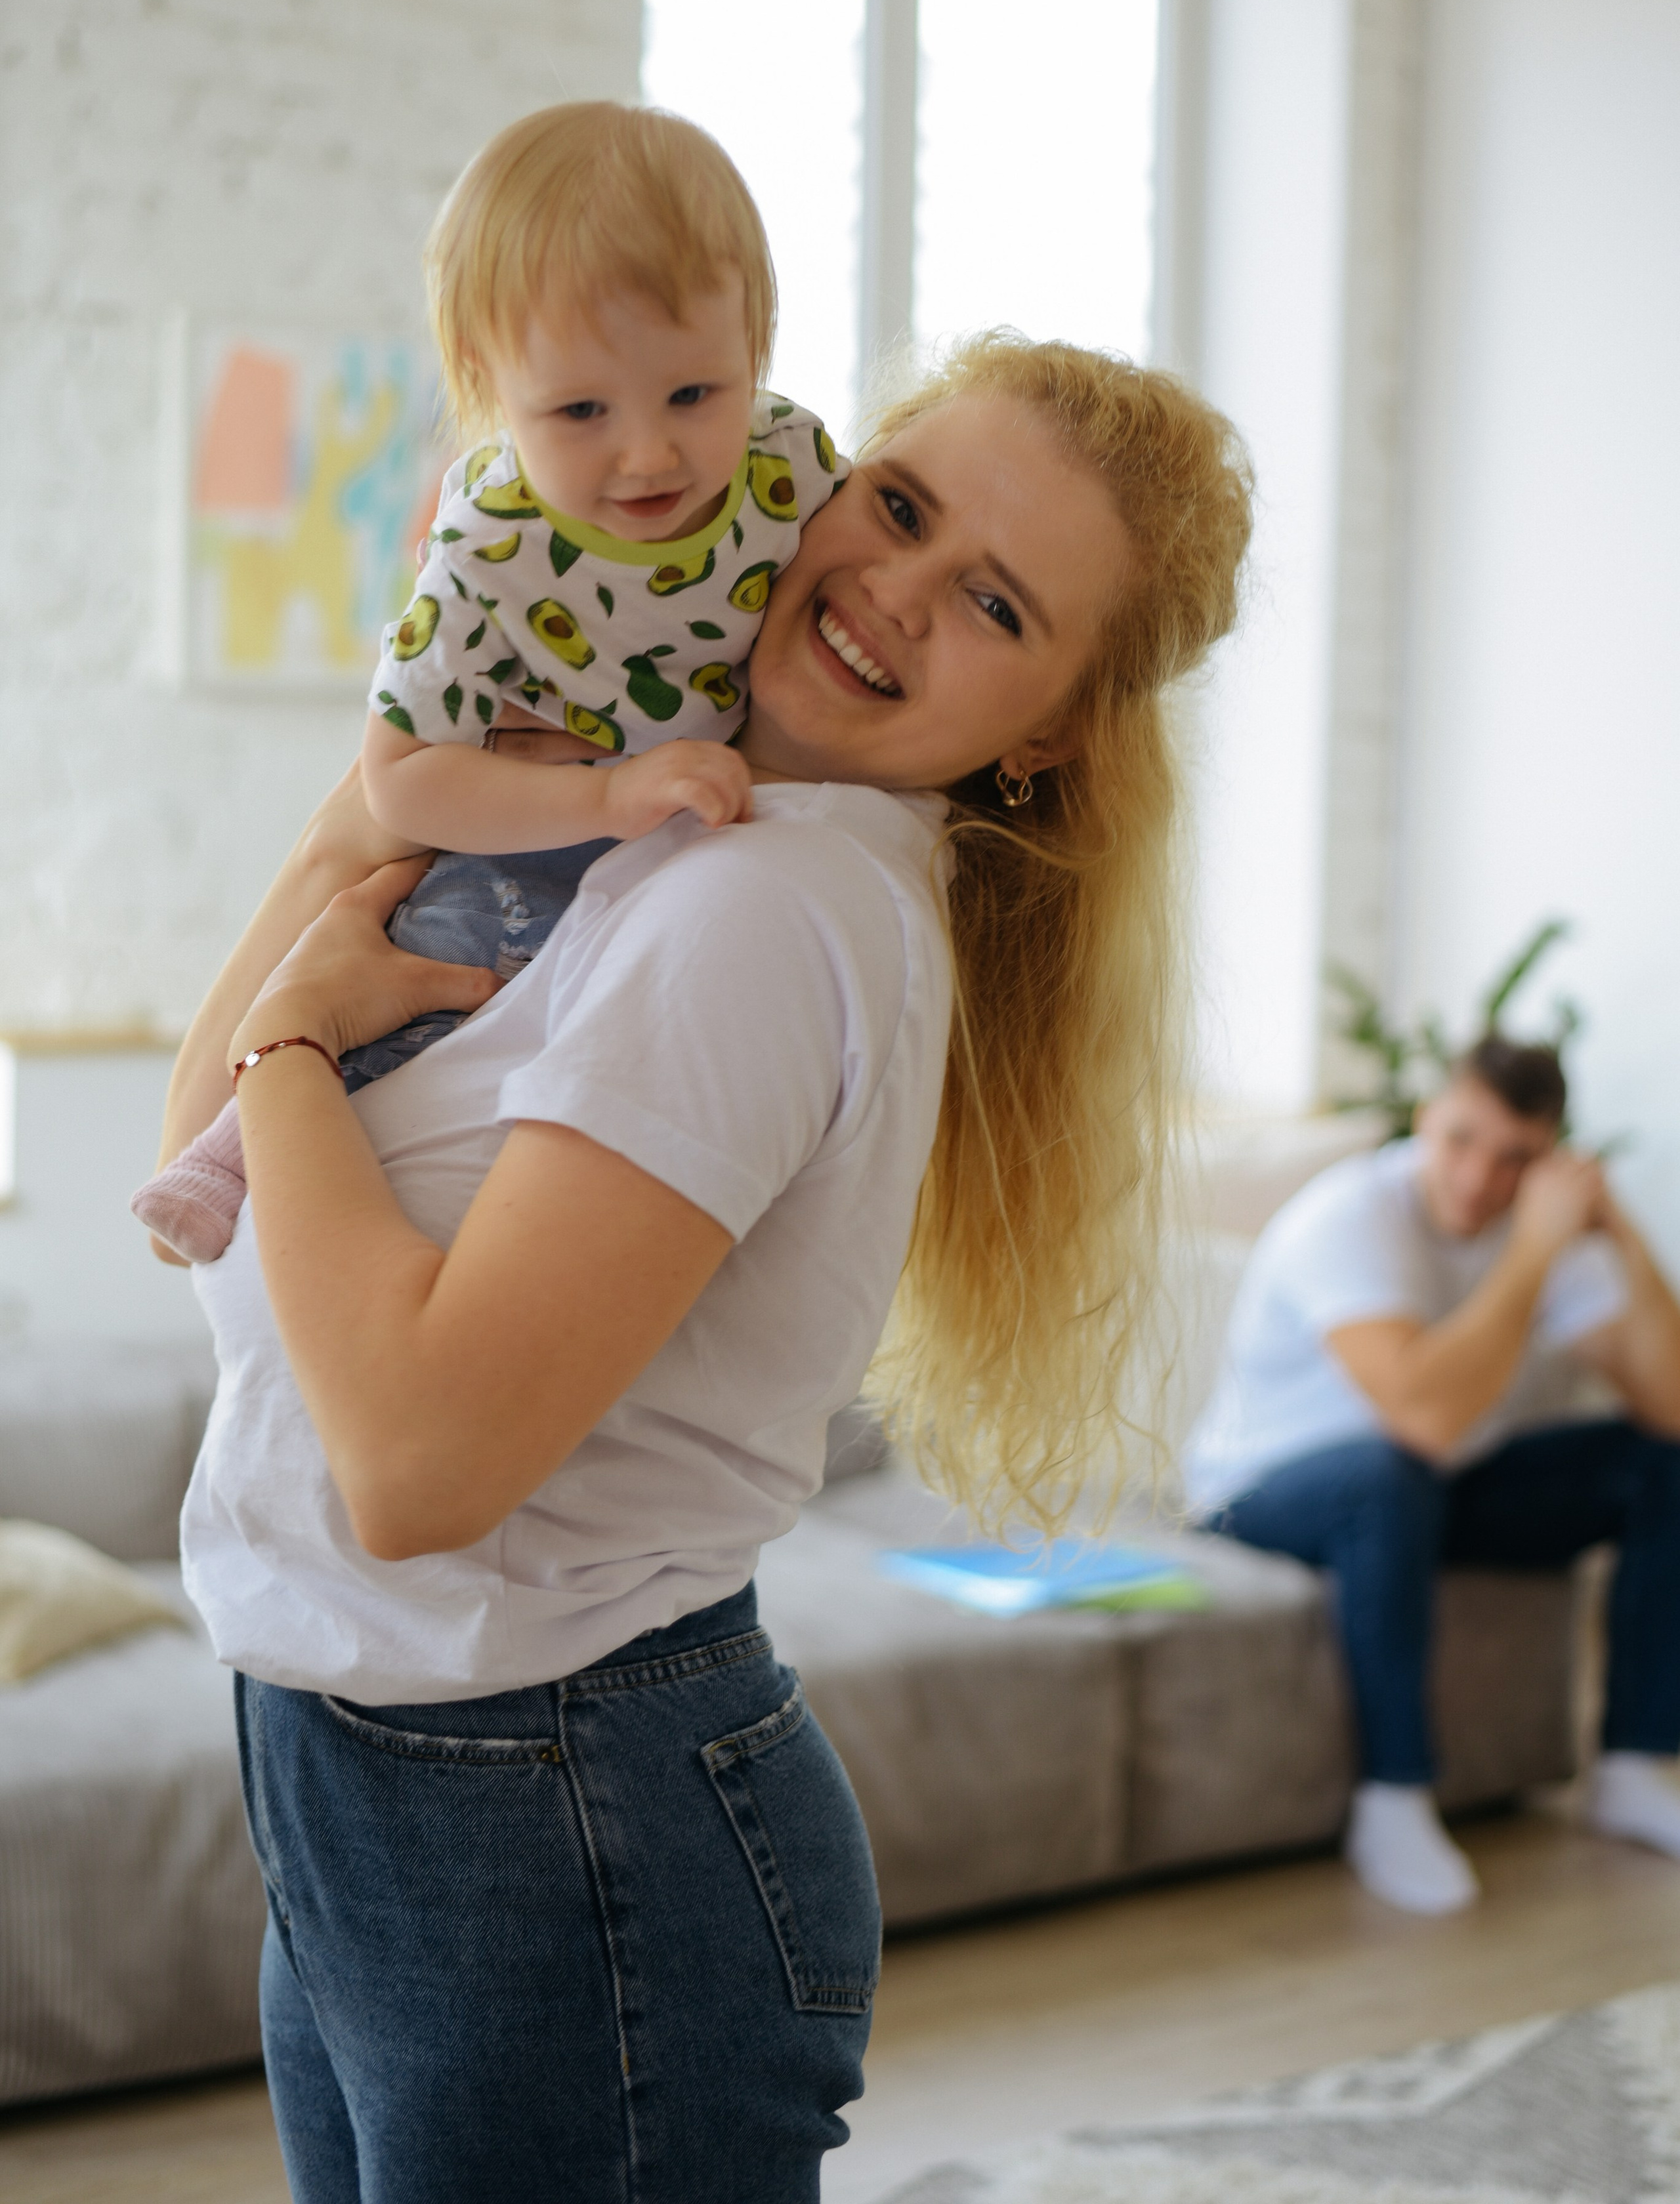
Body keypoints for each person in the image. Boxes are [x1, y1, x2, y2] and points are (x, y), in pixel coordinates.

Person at [156, 333, 1253, 2199]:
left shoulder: (763, 910)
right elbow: (210, 1166)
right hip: (396, 1777)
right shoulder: (652, 835)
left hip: (548, 1811)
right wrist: (391, 789)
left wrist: (290, 1049)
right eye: (896, 503)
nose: (889, 590)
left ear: (1053, 725)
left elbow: (417, 1463)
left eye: (991, 598)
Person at [134, 100, 842, 1264]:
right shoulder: (489, 546)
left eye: (693, 395)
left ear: (756, 343)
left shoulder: (791, 468)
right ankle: (220, 1160)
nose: (648, 454)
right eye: (580, 412)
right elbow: (400, 780)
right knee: (410, 999)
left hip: (677, 851)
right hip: (512, 842)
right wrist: (604, 801)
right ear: (487, 383)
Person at [1184, 1036, 1680, 1915]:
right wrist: (1533, 1256)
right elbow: (1421, 1414)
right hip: (1261, 1494)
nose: (1479, 1179)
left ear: (1549, 1160)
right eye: (1461, 1141)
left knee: (1661, 1464)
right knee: (1391, 1469)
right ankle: (1394, 1797)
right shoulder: (1350, 1217)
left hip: (1429, 1490)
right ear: (1427, 1119)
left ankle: (1632, 1767)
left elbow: (1670, 1406)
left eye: (1515, 1159)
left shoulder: (1544, 1229)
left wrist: (1621, 1230)